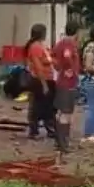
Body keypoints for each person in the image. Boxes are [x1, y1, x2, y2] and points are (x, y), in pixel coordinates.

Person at [22, 23, 65, 151]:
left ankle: (49, 128)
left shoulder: (43, 46)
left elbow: (50, 59)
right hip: (39, 79)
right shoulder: (35, 47)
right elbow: (37, 67)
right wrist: (44, 84)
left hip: (50, 78)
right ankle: (34, 130)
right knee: (37, 105)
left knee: (49, 105)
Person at [53, 21, 81, 136]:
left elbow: (53, 58)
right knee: (66, 113)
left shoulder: (60, 43)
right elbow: (67, 57)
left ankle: (60, 139)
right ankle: (63, 141)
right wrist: (72, 71)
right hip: (68, 82)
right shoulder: (69, 45)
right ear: (77, 32)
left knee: (61, 112)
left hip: (62, 81)